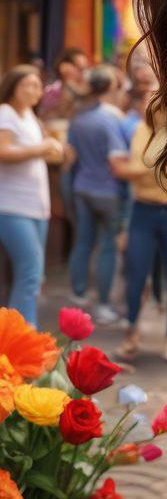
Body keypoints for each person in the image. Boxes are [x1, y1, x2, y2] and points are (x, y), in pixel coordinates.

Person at [113, 116, 167, 363]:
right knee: (136, 275)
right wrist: (153, 168)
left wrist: (144, 169)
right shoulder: (141, 129)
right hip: (142, 210)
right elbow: (130, 170)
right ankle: (131, 334)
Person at [0, 66, 64, 325]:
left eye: (37, 85)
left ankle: (22, 336)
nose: (33, 90)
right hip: (12, 206)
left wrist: (54, 149)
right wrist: (42, 148)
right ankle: (22, 338)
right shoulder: (6, 113)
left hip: (37, 207)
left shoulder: (31, 117)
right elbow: (3, 152)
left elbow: (50, 151)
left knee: (34, 276)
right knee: (29, 273)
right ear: (12, 86)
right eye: (27, 84)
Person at [67, 66, 130, 324]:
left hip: (82, 187)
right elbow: (118, 156)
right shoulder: (112, 117)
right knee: (107, 247)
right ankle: (103, 305)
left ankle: (78, 295)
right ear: (110, 88)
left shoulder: (77, 117)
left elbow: (70, 155)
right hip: (108, 191)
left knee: (82, 242)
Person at [39, 47, 89, 122]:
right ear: (63, 67)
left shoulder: (88, 91)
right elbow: (45, 119)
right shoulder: (51, 91)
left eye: (84, 68)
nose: (83, 73)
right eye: (79, 68)